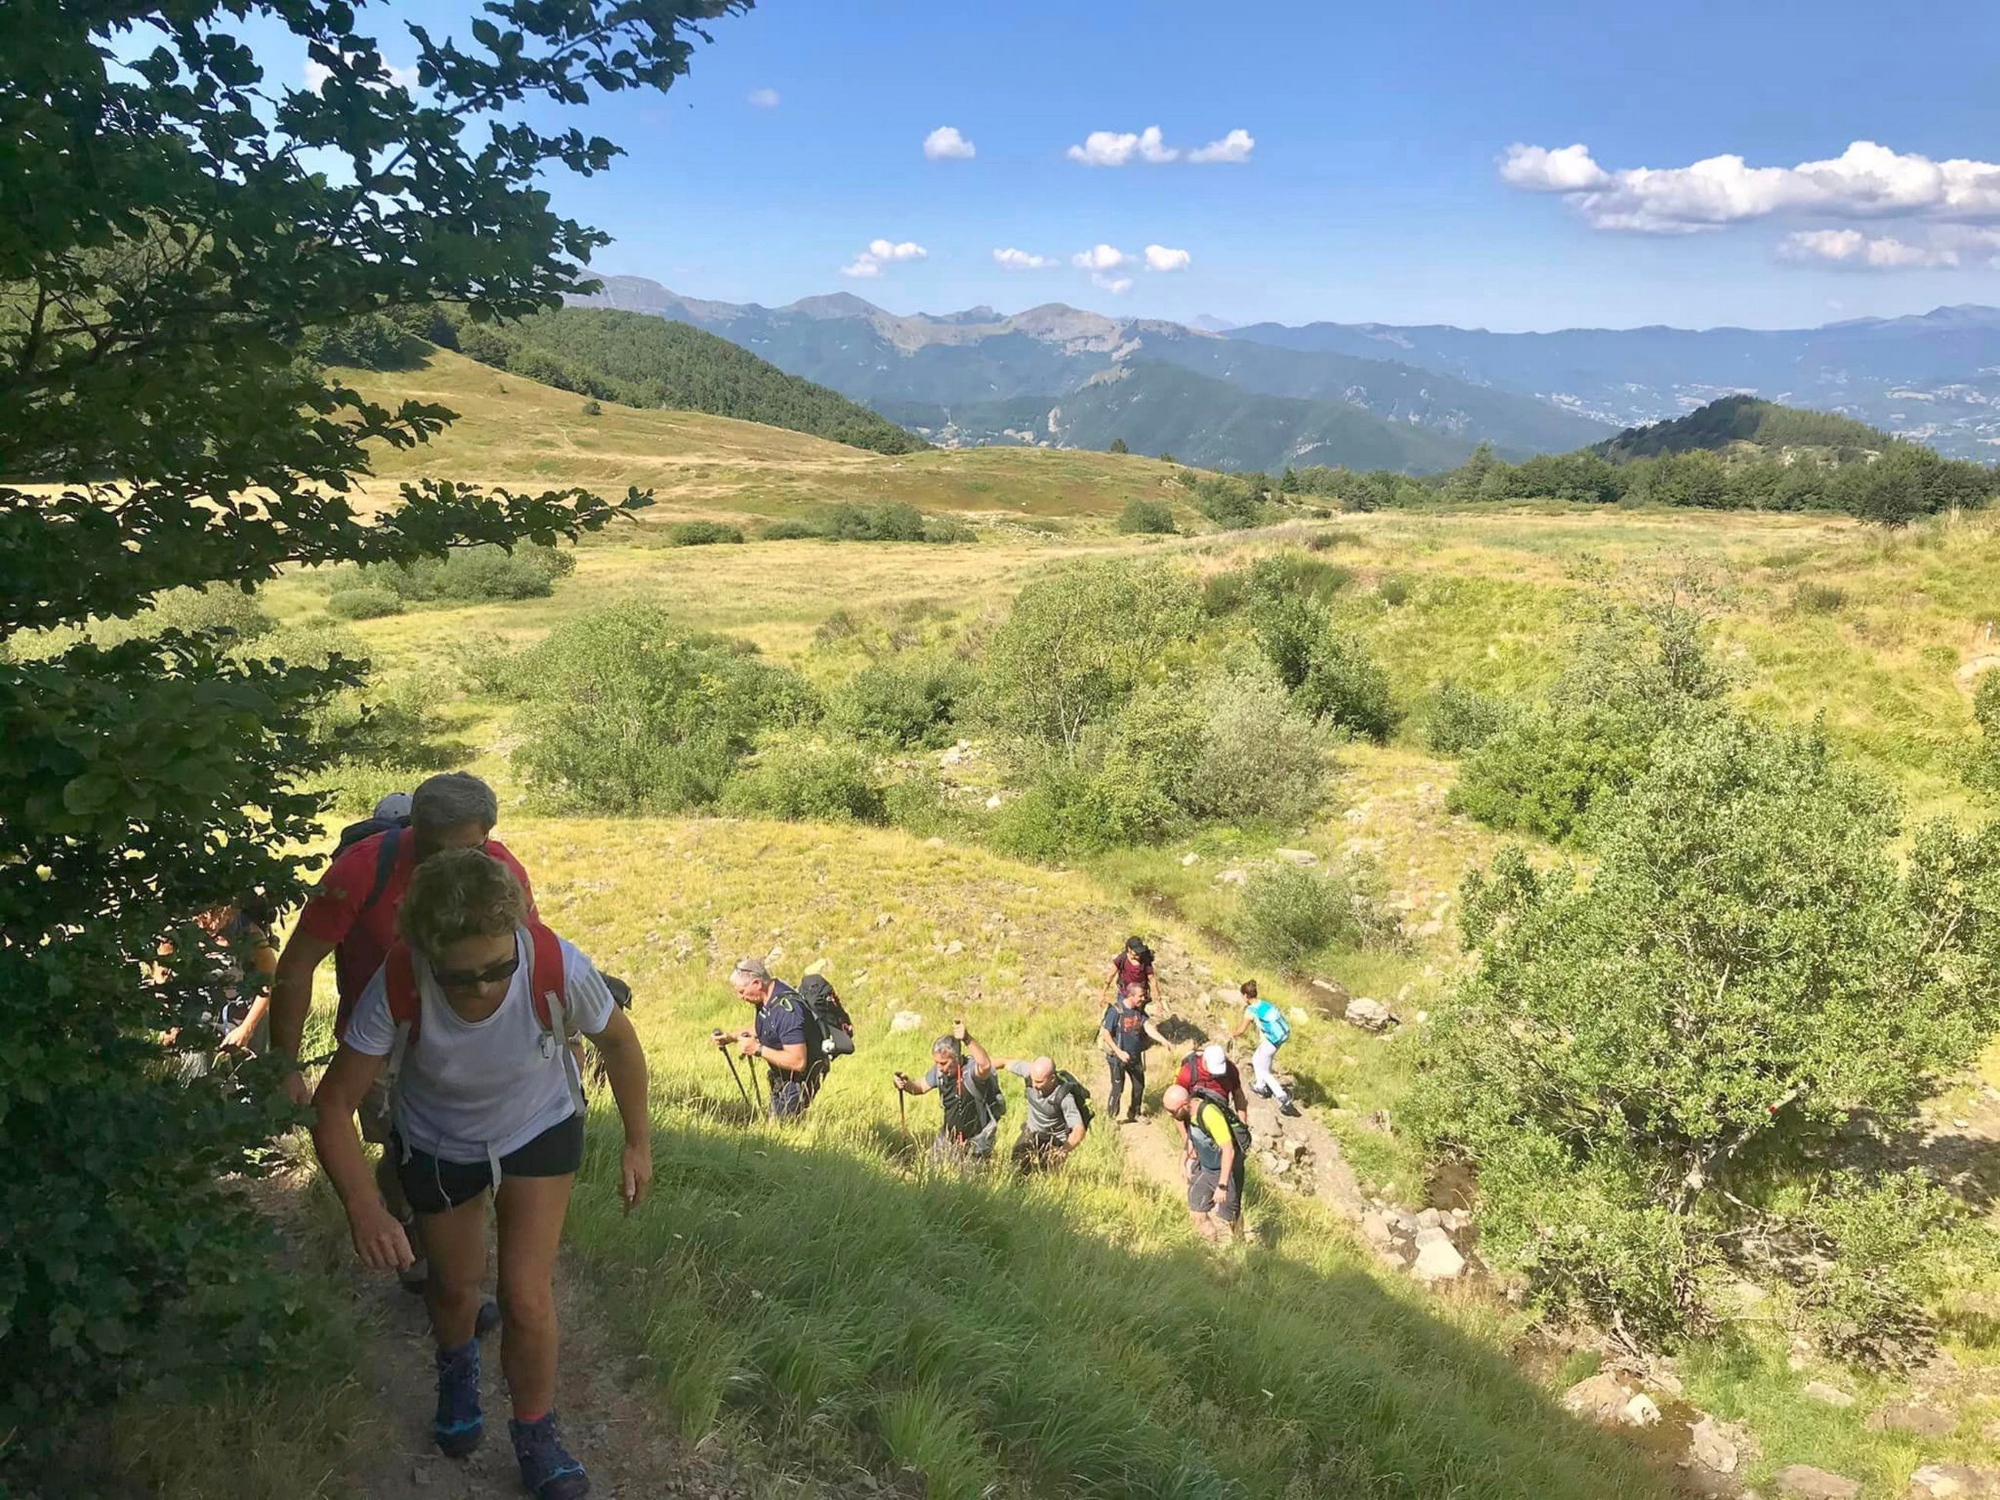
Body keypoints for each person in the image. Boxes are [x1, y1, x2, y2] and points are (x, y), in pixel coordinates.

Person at [310, 849, 651, 1500]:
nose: (484, 988)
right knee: (453, 1288)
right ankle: (457, 1371)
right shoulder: (401, 978)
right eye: (461, 977)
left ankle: (536, 1434)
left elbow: (620, 1044)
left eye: (499, 969)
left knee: (525, 1295)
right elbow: (332, 1107)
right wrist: (364, 1206)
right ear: (428, 952)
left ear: (518, 938)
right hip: (440, 1139)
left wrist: (639, 1143)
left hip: (540, 1124)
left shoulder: (555, 962)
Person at [272, 772, 536, 1290]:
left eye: (475, 848)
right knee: (402, 1150)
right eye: (443, 852)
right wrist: (283, 1062)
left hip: (461, 1039)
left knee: (457, 1148)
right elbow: (297, 963)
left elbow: (527, 957)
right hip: (376, 1044)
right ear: (416, 832)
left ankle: (450, 1265)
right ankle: (415, 1237)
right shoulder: (364, 869)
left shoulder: (500, 870)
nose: (461, 866)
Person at [716, 957, 825, 1118]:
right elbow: (766, 1026)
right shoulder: (767, 998)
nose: (740, 997)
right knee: (774, 1124)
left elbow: (798, 1061)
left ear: (757, 984)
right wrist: (731, 1037)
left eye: (741, 991)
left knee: (781, 1130)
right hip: (781, 1076)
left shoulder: (787, 1011)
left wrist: (757, 1049)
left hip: (799, 1080)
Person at [893, 1024, 1002, 1165]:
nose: (940, 1068)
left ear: (956, 1058)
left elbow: (986, 1066)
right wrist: (905, 1084)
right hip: (947, 1138)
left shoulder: (972, 1073)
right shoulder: (939, 1072)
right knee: (932, 1173)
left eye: (944, 1063)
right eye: (936, 1063)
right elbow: (919, 1088)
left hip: (976, 1142)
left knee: (969, 1185)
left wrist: (967, 1039)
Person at [1163, 1083, 1246, 1245]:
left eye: (1172, 1111)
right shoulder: (1189, 1113)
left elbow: (1229, 1150)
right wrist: (1183, 1159)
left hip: (1225, 1172)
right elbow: (1193, 1136)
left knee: (1229, 1220)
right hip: (1205, 1169)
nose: (1169, 1115)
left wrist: (1222, 1185)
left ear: (1185, 1105)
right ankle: (1213, 1248)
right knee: (1196, 1212)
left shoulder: (1209, 1114)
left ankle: (1239, 1246)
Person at [995, 1054, 1088, 1171]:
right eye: (1033, 1080)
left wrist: (1064, 1150)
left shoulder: (1064, 1097)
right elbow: (1004, 1062)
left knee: (1046, 1173)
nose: (1034, 1085)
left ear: (1052, 1079)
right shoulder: (1032, 1073)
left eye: (1039, 1082)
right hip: (1031, 1131)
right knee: (1016, 1166)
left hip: (1054, 1140)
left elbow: (1079, 1129)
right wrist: (979, 1070)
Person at [1097, 985, 1170, 1124]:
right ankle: (1111, 1118)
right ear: (1131, 996)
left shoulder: (1138, 1011)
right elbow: (1106, 1034)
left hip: (1135, 1056)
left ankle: (1135, 1113)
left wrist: (1163, 1040)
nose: (1143, 999)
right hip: (1117, 1058)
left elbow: (1147, 1027)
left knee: (1139, 1085)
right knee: (1118, 1087)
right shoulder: (1116, 1011)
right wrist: (1119, 1052)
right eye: (1140, 996)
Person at [1230, 980, 1300, 1117]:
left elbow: (1242, 1030)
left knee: (1264, 1070)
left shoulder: (1251, 1010)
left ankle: (1282, 1097)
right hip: (1278, 1040)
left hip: (1269, 1043)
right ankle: (1260, 1087)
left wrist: (1232, 1033)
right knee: (1257, 1059)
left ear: (1245, 996)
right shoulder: (1264, 1004)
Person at [1174, 1041, 1249, 1116]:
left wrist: (1242, 1121)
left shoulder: (1230, 1070)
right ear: (1204, 1060)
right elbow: (1176, 1102)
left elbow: (1238, 1094)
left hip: (1221, 1112)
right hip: (1195, 1115)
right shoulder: (1188, 1072)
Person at [1102, 935, 1159, 1009]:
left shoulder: (1145, 960)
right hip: (1124, 994)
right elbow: (1111, 975)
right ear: (1129, 949)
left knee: (1137, 1018)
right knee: (1123, 1015)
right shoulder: (1122, 958)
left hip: (1140, 996)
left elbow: (1152, 979)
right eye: (1136, 952)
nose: (1139, 955)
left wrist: (1158, 999)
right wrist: (1103, 992)